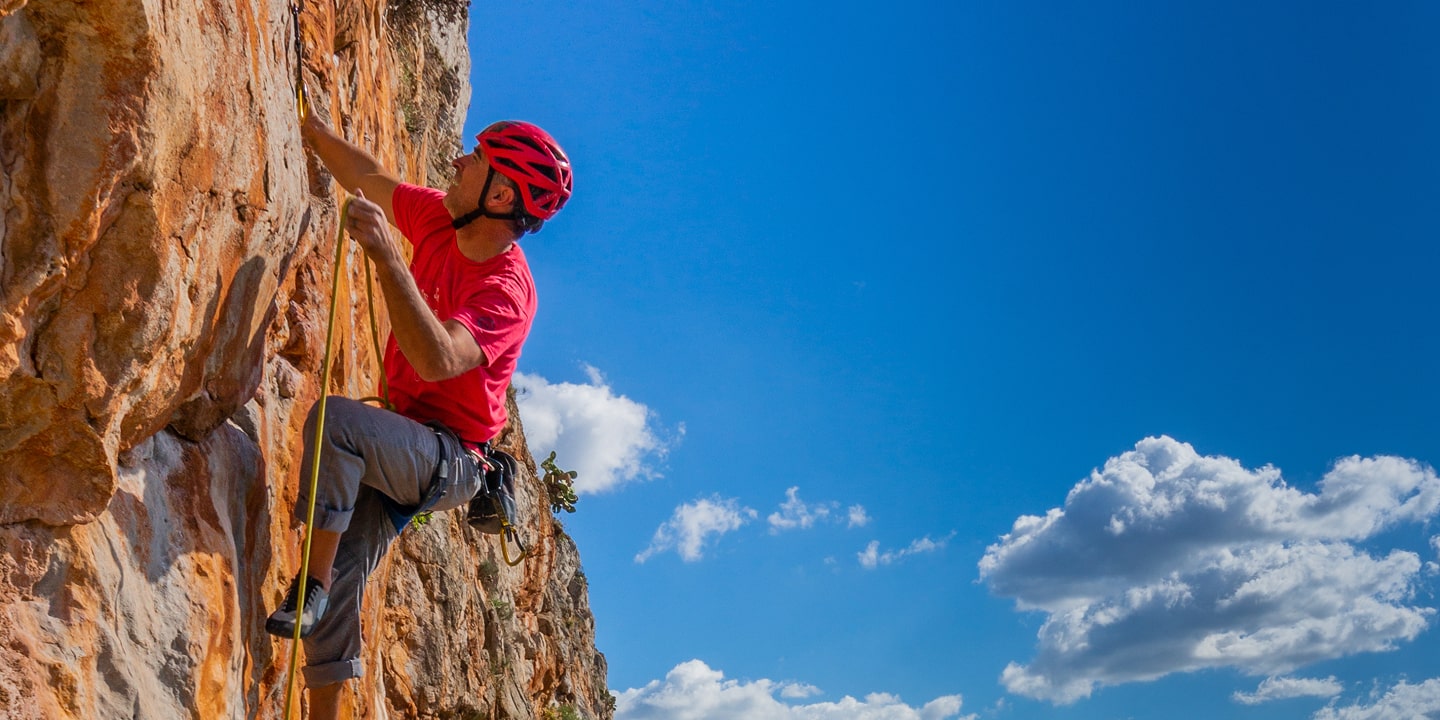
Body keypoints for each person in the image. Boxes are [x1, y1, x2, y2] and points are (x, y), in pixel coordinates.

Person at [267, 111, 572, 718]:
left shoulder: (507, 290)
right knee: (349, 567)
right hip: (407, 439)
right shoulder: (438, 214)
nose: (459, 160)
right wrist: (316, 132)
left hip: (452, 458)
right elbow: (371, 177)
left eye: (476, 157)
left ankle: (313, 585)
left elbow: (437, 360)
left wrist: (386, 257)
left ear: (501, 192)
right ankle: (324, 633)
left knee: (338, 424)